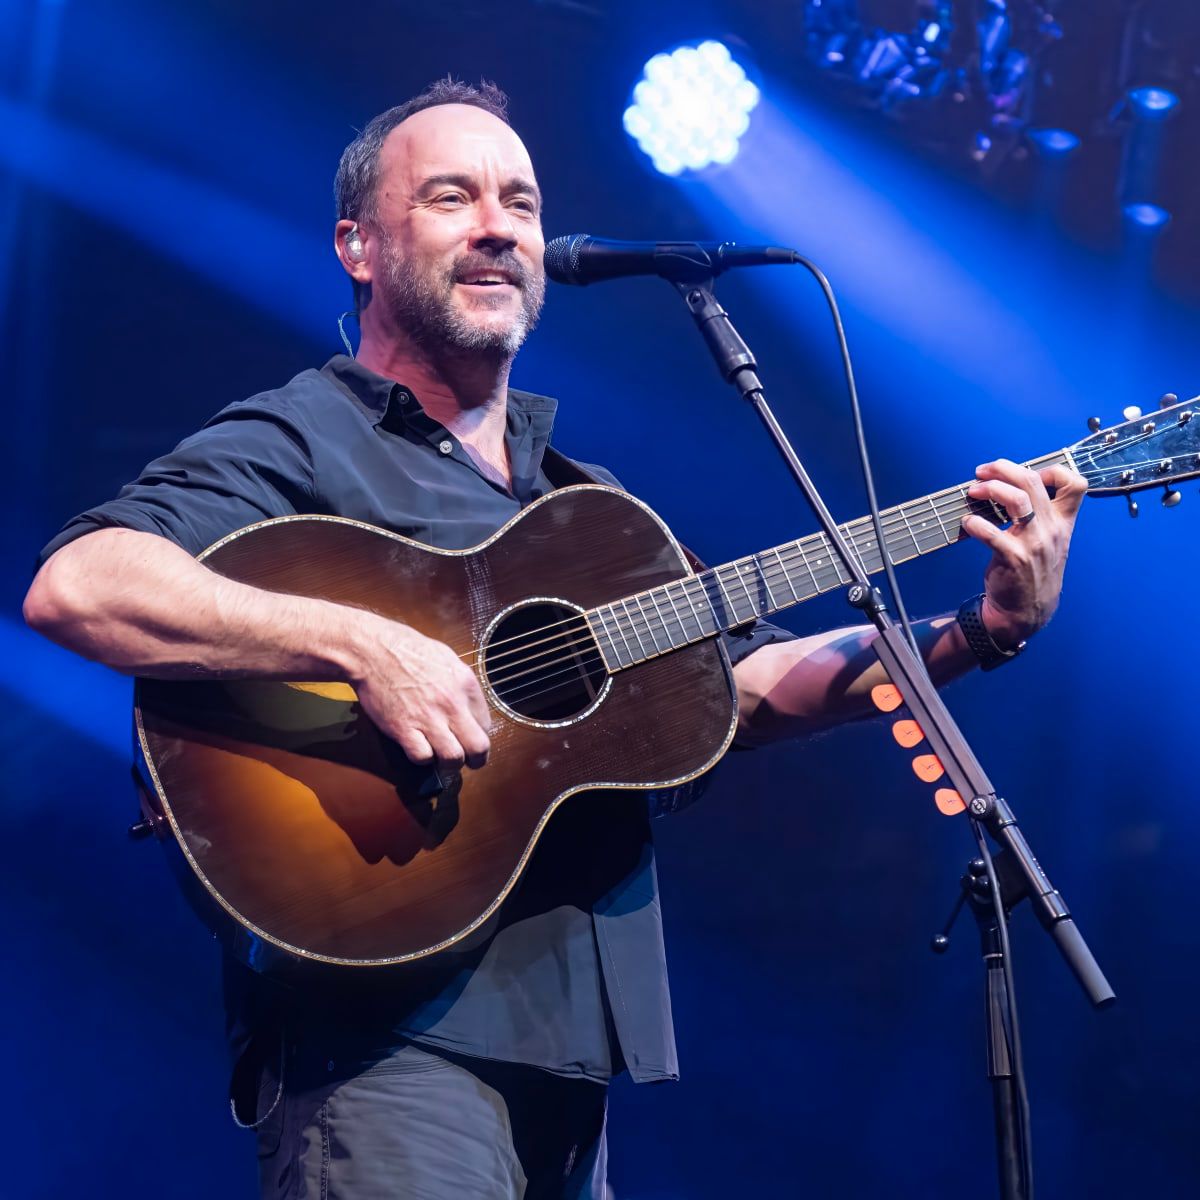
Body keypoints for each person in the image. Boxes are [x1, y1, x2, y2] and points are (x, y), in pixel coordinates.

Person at [23, 79, 1086, 1199]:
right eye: (452, 196)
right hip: (382, 1038)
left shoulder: (589, 508)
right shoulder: (306, 432)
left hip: (573, 1056)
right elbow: (80, 587)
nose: (499, 226)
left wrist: (980, 630)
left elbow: (746, 687)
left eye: (521, 203)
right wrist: (357, 644)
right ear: (360, 246)